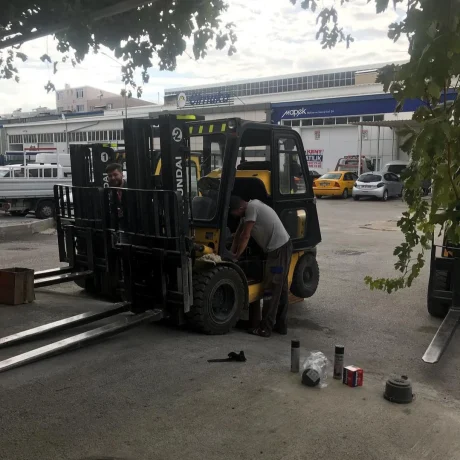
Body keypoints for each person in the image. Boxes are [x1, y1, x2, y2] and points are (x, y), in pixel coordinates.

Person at [229, 195, 293, 337]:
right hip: (280, 249)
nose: (235, 216)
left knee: (271, 288)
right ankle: (281, 326)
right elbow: (238, 235)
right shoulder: (247, 212)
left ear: (241, 208)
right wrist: (231, 253)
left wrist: (236, 256)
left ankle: (265, 329)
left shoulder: (252, 208)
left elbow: (246, 235)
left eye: (235, 213)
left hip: (279, 251)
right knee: (281, 289)